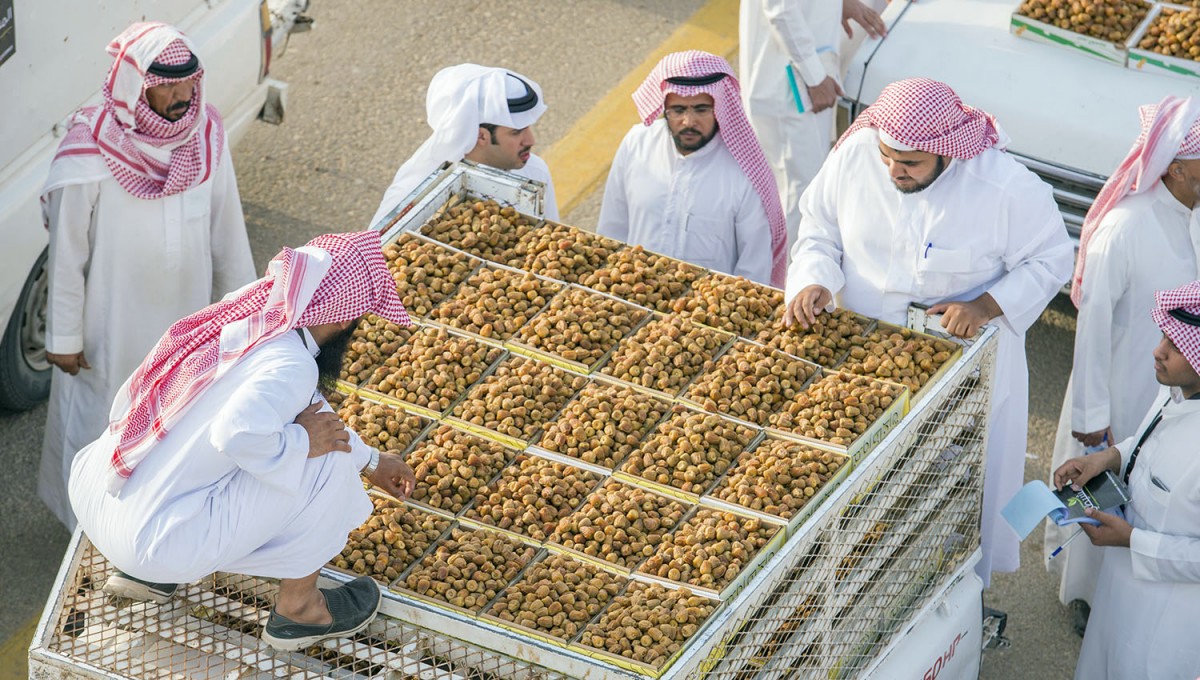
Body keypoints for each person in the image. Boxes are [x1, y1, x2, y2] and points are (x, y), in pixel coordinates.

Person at [784, 78, 1074, 587]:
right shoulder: (856, 157)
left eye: (911, 164)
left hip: (960, 369)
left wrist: (985, 304)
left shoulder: (1002, 187)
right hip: (860, 360)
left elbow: (1052, 259)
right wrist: (814, 281)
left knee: (951, 484)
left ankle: (953, 585)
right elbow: (819, 228)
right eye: (887, 156)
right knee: (855, 480)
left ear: (945, 151)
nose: (894, 170)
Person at [69, 230, 417, 651]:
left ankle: (150, 576)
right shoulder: (290, 363)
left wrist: (373, 461)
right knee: (325, 459)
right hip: (153, 542)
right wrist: (307, 445)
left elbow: (298, 409)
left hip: (99, 496)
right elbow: (237, 432)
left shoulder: (245, 315)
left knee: (303, 437)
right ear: (343, 318)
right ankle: (301, 609)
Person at [38, 22, 256, 529]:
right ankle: (85, 531)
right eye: (166, 84)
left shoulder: (206, 138)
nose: (182, 96)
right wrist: (64, 335)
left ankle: (148, 526)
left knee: (173, 429)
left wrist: (245, 318)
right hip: (107, 328)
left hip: (183, 325)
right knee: (99, 429)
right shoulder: (88, 152)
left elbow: (228, 234)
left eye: (188, 82)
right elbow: (66, 257)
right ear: (138, 84)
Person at [1045, 96, 1200, 635]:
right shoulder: (1127, 228)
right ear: (1178, 168)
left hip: (1171, 394)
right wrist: (1091, 413)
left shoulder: (1191, 216)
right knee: (1103, 488)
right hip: (1115, 391)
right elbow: (1089, 326)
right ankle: (1086, 598)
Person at [1054, 281, 1200, 680]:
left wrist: (1131, 540)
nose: (1158, 350)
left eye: (1178, 344)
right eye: (1163, 336)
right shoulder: (1180, 389)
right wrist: (1106, 459)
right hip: (1117, 595)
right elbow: (1155, 438)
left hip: (1168, 628)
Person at [597, 50, 786, 287]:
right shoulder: (637, 145)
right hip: (634, 299)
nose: (688, 122)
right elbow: (612, 230)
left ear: (720, 108)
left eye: (701, 109)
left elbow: (754, 267)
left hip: (708, 312)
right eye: (678, 110)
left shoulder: (744, 172)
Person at [739, 0, 887, 247]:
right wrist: (815, 77)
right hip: (789, 87)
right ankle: (785, 282)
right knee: (799, 198)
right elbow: (780, 9)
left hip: (803, 78)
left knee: (805, 193)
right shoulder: (808, 78)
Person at [370, 64, 557, 227]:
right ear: (480, 136)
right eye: (516, 132)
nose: (530, 141)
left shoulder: (535, 172)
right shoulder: (411, 196)